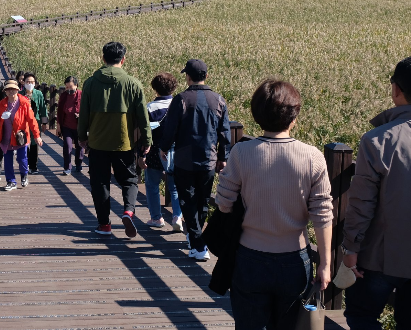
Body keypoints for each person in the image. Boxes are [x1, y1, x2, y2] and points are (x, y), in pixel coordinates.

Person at [215, 79, 333, 329]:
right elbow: (323, 215)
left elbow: (223, 203)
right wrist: (325, 264)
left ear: (257, 115)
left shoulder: (241, 152)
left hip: (249, 258)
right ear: (294, 117)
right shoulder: (313, 157)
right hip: (294, 260)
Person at [342, 57, 411, 329]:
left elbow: (361, 203)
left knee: (360, 315)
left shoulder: (378, 140)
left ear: (395, 90)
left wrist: (351, 247)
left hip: (381, 257)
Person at [157, 59, 231, 261]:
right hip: (209, 159)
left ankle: (198, 244)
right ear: (206, 76)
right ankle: (196, 239)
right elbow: (225, 133)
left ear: (188, 77)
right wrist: (223, 158)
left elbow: (170, 128)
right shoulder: (219, 100)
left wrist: (163, 148)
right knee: (203, 201)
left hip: (184, 159)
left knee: (187, 200)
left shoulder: (181, 99)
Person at [78, 42, 151, 237]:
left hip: (97, 142)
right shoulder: (133, 83)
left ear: (103, 58)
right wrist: (146, 140)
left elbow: (83, 114)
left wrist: (81, 137)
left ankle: (104, 225)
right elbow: (143, 117)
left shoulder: (91, 83)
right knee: (129, 180)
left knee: (100, 183)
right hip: (124, 142)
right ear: (123, 59)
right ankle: (128, 210)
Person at [144, 73, 183, 231]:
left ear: (155, 89)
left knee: (152, 184)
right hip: (175, 151)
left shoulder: (150, 107)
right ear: (174, 88)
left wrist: (142, 153)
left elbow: (145, 132)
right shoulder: (179, 105)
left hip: (154, 150)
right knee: (175, 186)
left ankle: (156, 218)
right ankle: (177, 216)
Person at [0, 80, 42, 191]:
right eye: (8, 89)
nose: (11, 91)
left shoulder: (24, 102)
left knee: (22, 158)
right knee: (7, 159)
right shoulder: (2, 104)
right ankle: (11, 181)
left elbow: (32, 120)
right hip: (6, 136)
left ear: (17, 90)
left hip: (20, 137)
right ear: (5, 91)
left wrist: (37, 135)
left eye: (13, 89)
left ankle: (24, 175)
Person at [20, 72, 48, 174]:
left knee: (34, 143)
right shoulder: (20, 94)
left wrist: (44, 123)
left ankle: (33, 166)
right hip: (23, 122)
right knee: (23, 142)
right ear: (24, 82)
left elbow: (43, 109)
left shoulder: (38, 94)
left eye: (32, 82)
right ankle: (25, 163)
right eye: (28, 81)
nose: (30, 83)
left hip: (36, 122)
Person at [56, 76, 82, 175]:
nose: (68, 89)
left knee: (80, 147)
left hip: (79, 126)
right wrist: (58, 125)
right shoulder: (63, 96)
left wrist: (80, 115)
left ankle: (79, 163)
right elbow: (59, 112)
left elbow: (87, 109)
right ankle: (67, 167)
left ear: (76, 86)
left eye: (70, 87)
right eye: (67, 87)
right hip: (66, 126)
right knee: (67, 146)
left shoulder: (82, 95)